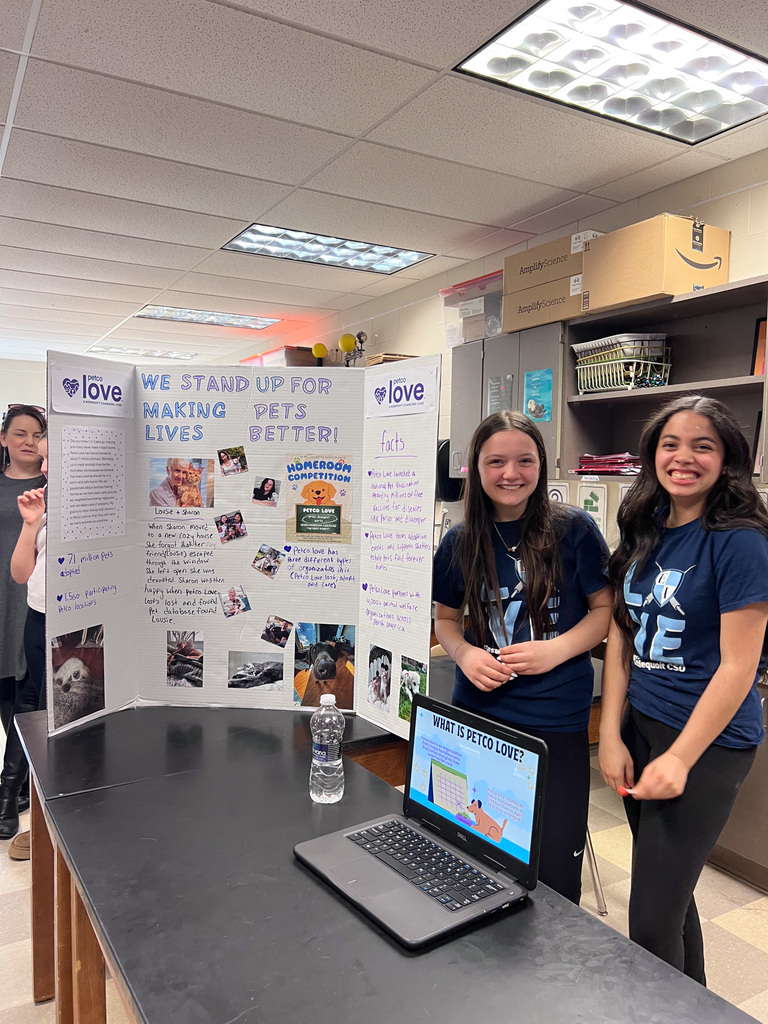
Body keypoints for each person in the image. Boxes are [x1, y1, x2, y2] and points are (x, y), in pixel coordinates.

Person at [598, 395, 768, 984]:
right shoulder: (645, 526)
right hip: (641, 726)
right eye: (671, 443)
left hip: (707, 743)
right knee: (670, 899)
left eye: (703, 446)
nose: (684, 457)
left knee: (648, 921)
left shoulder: (739, 540)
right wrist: (610, 733)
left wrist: (680, 756)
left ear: (727, 459)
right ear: (653, 454)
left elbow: (737, 668)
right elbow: (623, 634)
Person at [433, 411, 612, 903]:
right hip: (479, 714)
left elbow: (604, 610)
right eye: (496, 461)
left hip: (555, 720)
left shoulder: (573, 529)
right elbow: (445, 621)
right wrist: (465, 653)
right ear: (476, 468)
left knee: (553, 865)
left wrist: (555, 650)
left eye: (524, 460)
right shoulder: (459, 541)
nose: (511, 473)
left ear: (541, 466)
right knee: (478, 849)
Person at [0, 404, 46, 840]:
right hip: (3, 592)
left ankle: (7, 791)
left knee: (27, 695)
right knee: (5, 690)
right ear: (4, 439)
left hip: (32, 600)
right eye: (20, 433)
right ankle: (16, 789)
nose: (29, 441)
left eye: (37, 434)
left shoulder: (55, 485)